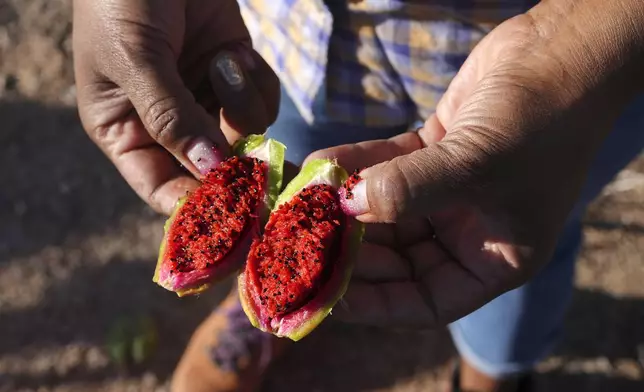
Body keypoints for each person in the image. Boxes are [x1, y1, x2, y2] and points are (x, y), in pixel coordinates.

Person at [72, 0, 644, 391]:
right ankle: (261, 307)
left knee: (504, 240)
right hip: (289, 47)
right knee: (284, 188)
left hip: (551, 70)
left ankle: (493, 372)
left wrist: (577, 43)